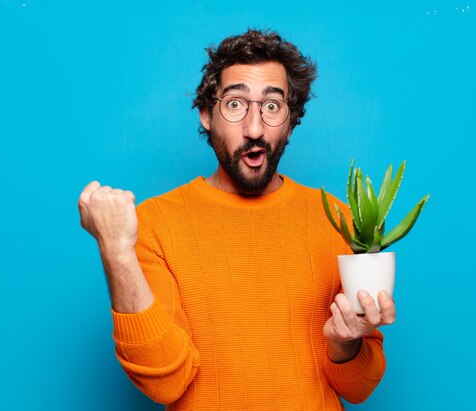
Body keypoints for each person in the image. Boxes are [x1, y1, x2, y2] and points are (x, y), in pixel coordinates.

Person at [78, 29, 396, 410]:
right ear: (207, 114)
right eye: (235, 104)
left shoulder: (340, 221)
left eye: (273, 106)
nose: (255, 128)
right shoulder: (154, 224)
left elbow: (359, 389)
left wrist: (346, 343)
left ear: (292, 122)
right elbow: (164, 380)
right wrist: (116, 251)